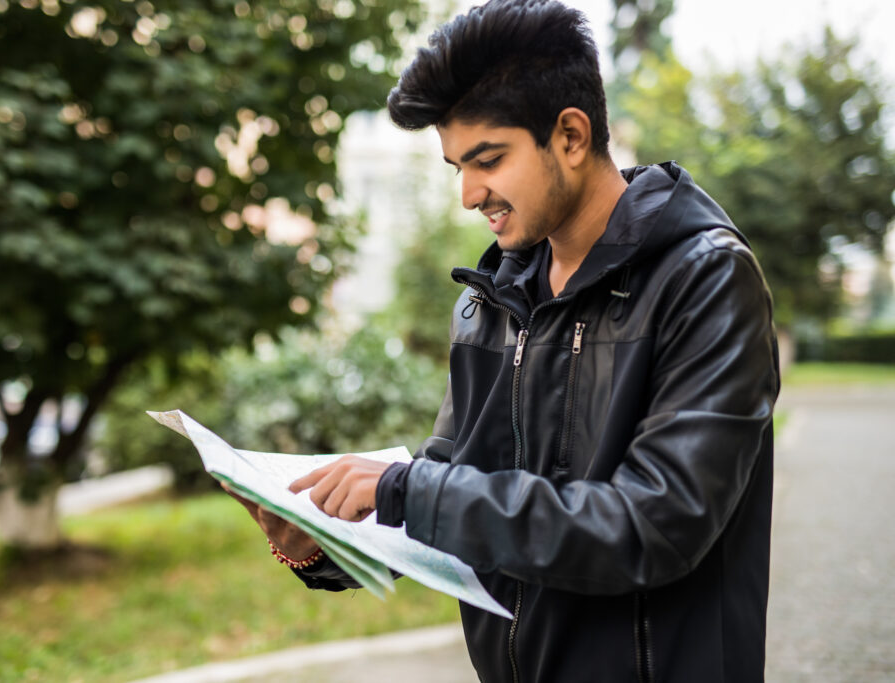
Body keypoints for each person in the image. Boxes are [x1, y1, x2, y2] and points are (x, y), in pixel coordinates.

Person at [226, 0, 780, 680]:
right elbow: (451, 498)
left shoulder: (706, 278)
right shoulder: (492, 301)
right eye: (456, 164)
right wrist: (318, 542)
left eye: (487, 159)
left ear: (571, 136)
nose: (467, 193)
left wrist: (407, 490)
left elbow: (654, 524)